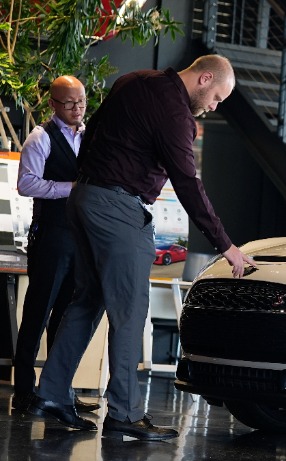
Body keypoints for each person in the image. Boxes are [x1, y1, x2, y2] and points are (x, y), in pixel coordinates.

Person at [29, 55, 255, 440]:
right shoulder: (175, 113)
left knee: (88, 301)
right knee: (130, 311)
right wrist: (227, 246)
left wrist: (90, 183)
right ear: (204, 79)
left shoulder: (134, 79)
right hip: (119, 209)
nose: (215, 106)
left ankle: (50, 393)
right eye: (217, 97)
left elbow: (93, 130)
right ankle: (125, 414)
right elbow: (187, 183)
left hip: (84, 198)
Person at [12, 76, 100, 414]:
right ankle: (24, 393)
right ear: (53, 104)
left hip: (80, 236)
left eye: (81, 101)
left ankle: (57, 391)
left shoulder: (88, 134)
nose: (78, 108)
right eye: (69, 103)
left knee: (66, 317)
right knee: (38, 312)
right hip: (50, 235)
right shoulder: (40, 138)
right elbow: (27, 184)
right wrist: (73, 188)